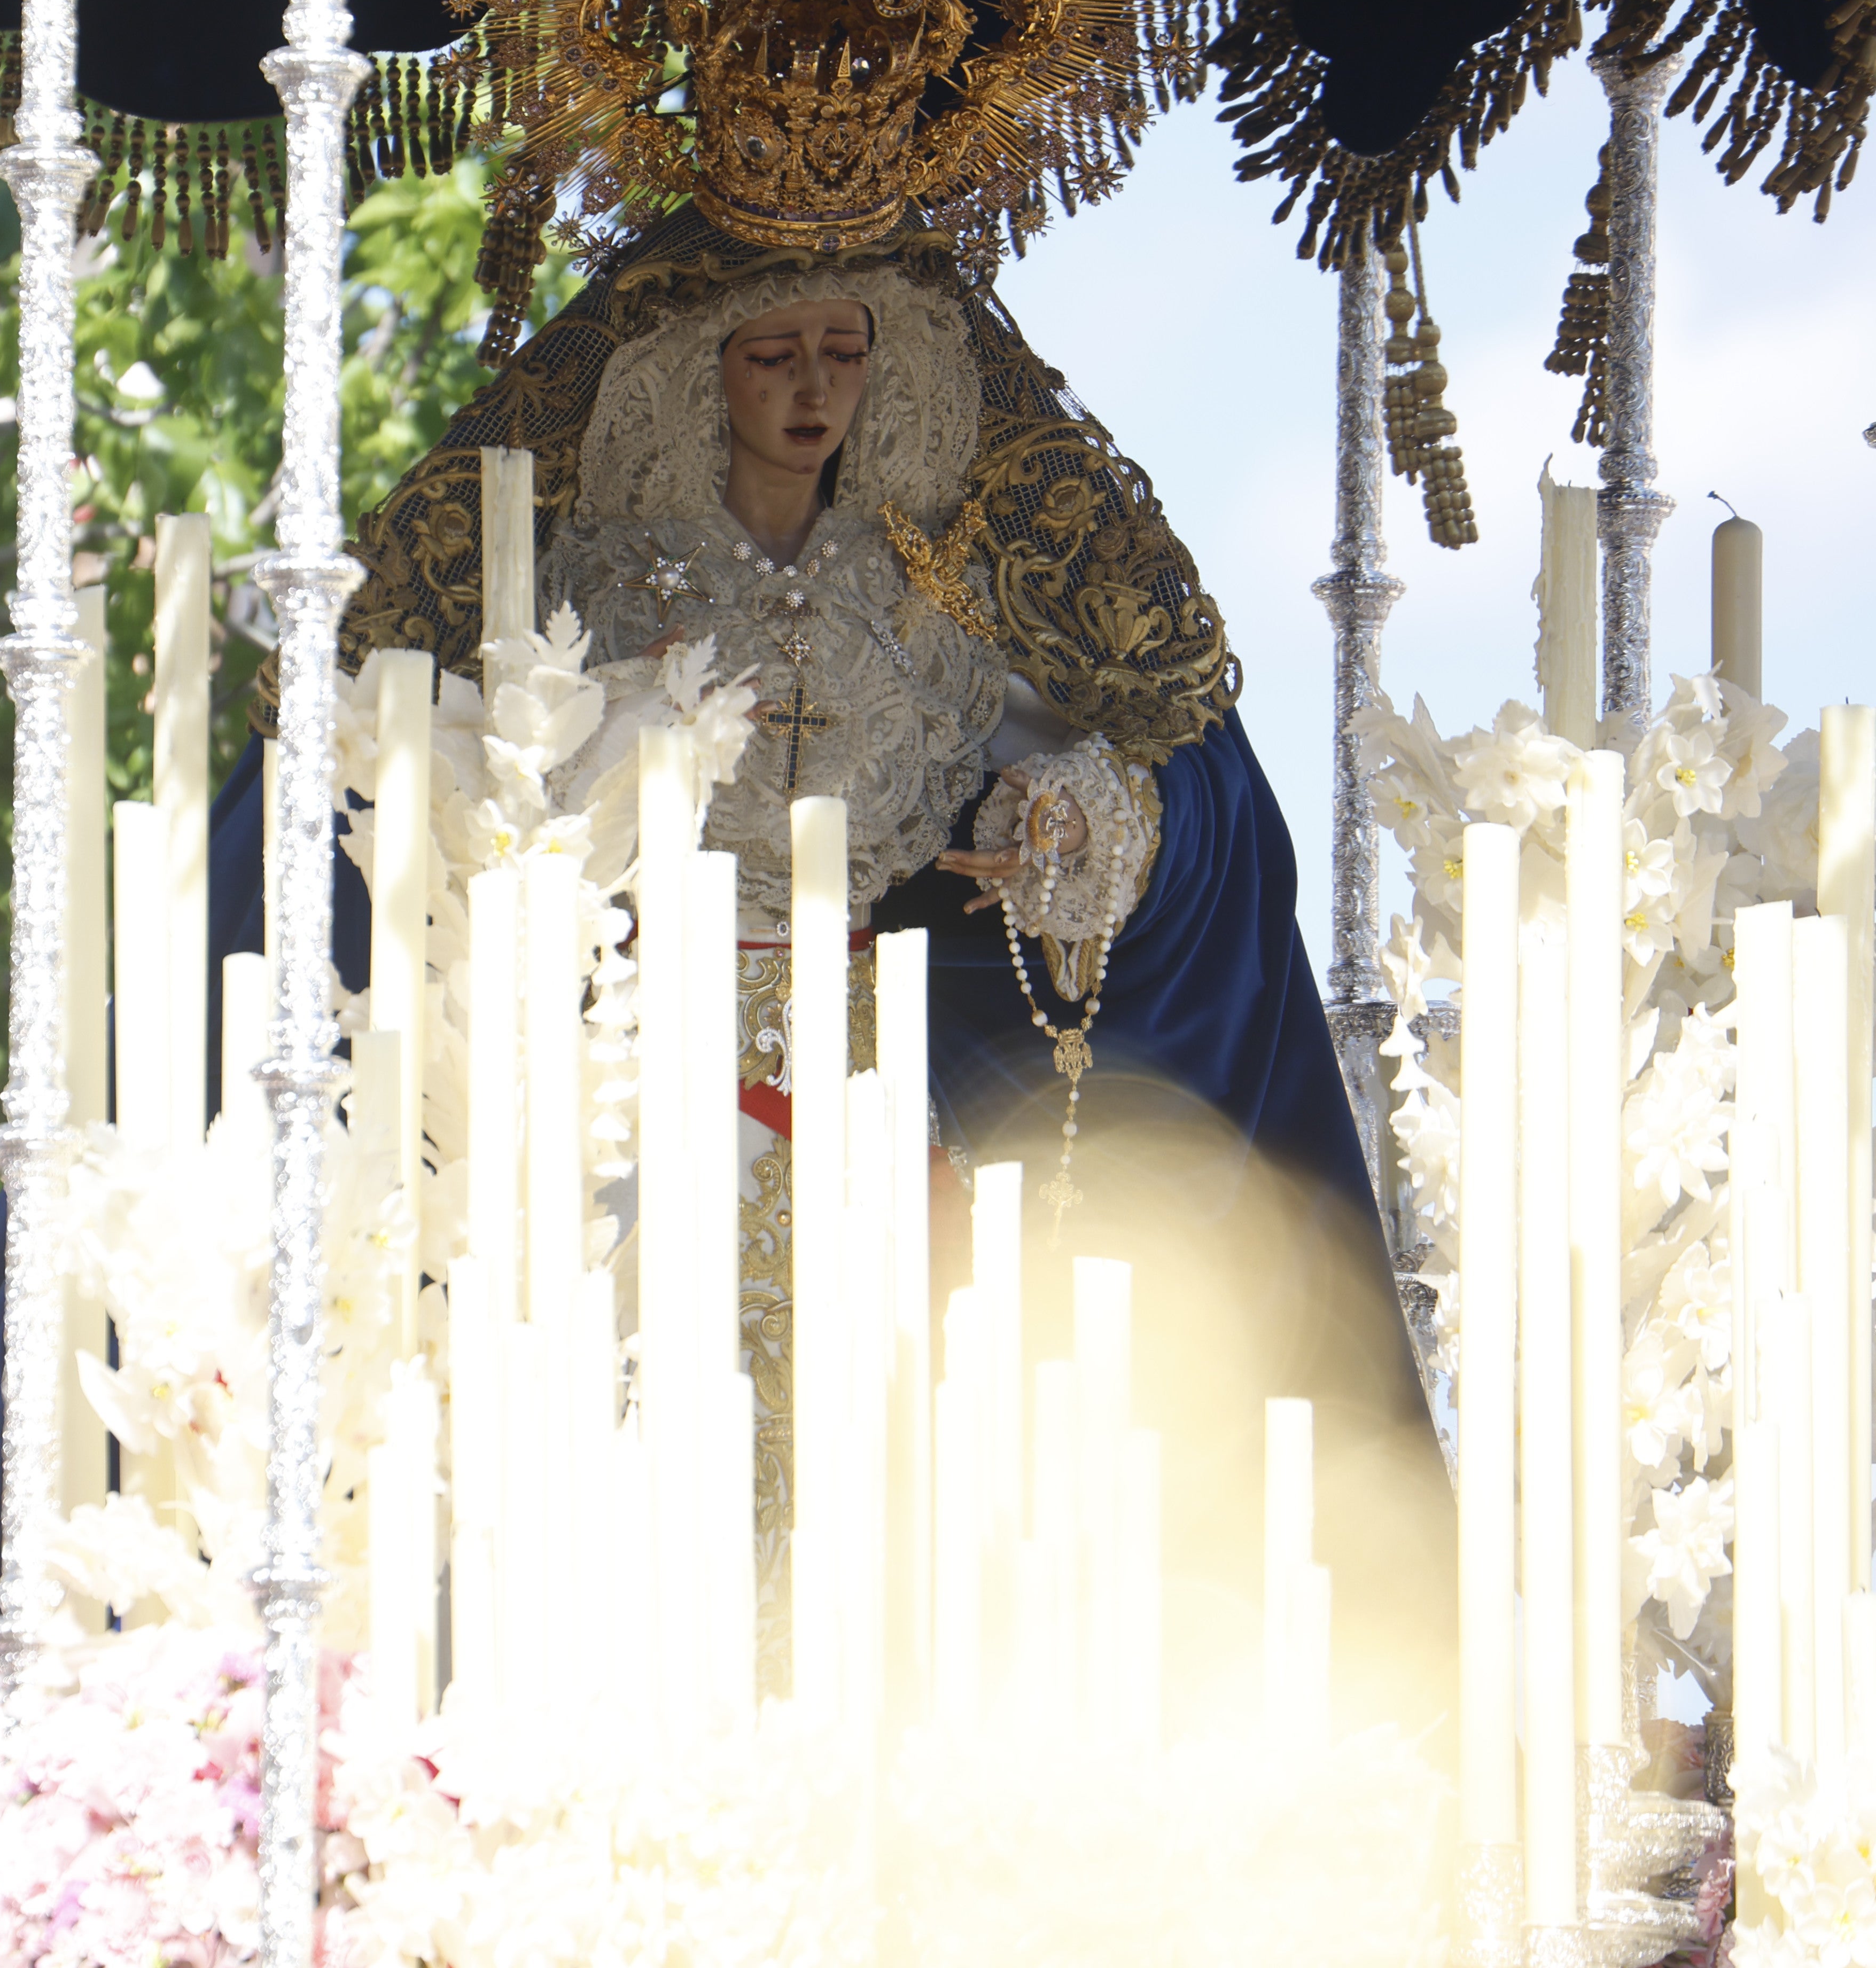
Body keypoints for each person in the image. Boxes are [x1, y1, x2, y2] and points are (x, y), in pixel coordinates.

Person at [312, 205, 1455, 1735]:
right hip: (645, 1078)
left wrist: (1069, 818)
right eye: (773, 355)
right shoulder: (604, 579)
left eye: (841, 352)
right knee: (632, 1414)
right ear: (704, 371)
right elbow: (454, 765)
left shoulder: (936, 583)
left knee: (917, 1442)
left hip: (869, 1074)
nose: (811, 391)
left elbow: (1139, 765)